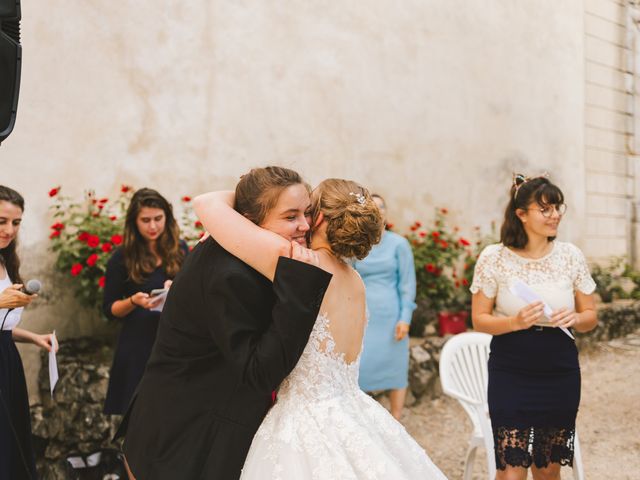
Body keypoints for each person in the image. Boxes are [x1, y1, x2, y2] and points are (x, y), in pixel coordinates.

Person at [195, 178, 447, 479]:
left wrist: (247, 207)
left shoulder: (303, 266)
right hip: (354, 411)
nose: (301, 217)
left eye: (307, 208)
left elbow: (206, 203)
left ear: (320, 217)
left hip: (305, 422)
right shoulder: (356, 281)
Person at [117, 167, 333, 480]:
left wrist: (230, 213)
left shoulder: (233, 245)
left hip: (190, 420)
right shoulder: (230, 276)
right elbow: (260, 372)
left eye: (307, 213)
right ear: (248, 219)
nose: (305, 225)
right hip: (182, 436)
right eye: (290, 217)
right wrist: (299, 291)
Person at [470, 174, 598, 480]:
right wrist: (515, 322)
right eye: (545, 209)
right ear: (521, 214)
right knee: (512, 470)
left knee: (547, 469)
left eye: (557, 208)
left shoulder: (570, 256)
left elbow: (590, 315)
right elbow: (479, 320)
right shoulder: (494, 258)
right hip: (511, 369)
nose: (554, 215)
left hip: (560, 368)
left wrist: (575, 319)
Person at [102, 188, 188, 415]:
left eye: (158, 219)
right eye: (146, 220)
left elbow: (196, 296)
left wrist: (177, 290)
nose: (153, 226)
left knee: (172, 411)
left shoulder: (181, 250)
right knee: (136, 414)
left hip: (174, 341)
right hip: (137, 343)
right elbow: (109, 309)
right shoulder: (121, 257)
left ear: (167, 218)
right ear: (134, 222)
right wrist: (133, 301)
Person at [0, 185, 57, 480]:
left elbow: (4, 328)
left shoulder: (5, 260)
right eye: (1, 221)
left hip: (8, 361)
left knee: (12, 448)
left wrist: (35, 338)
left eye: (16, 222)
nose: (9, 230)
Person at [354, 193, 416, 420]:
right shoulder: (357, 244)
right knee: (361, 367)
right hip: (362, 315)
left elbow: (407, 284)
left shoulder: (400, 244)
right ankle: (362, 420)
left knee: (396, 368)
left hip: (392, 316)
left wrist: (405, 318)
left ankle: (397, 418)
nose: (378, 210)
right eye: (373, 206)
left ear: (386, 212)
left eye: (381, 206)